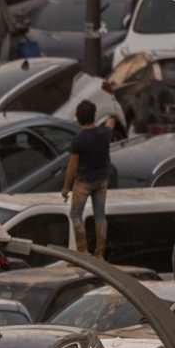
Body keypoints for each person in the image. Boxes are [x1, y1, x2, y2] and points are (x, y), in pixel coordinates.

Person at [61, 99, 113, 257]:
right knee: (100, 215)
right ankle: (100, 253)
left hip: (84, 181)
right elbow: (112, 122)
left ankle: (83, 251)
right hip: (102, 179)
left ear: (78, 118)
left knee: (76, 214)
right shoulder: (105, 133)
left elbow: (72, 167)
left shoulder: (78, 140)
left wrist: (66, 188)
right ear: (94, 115)